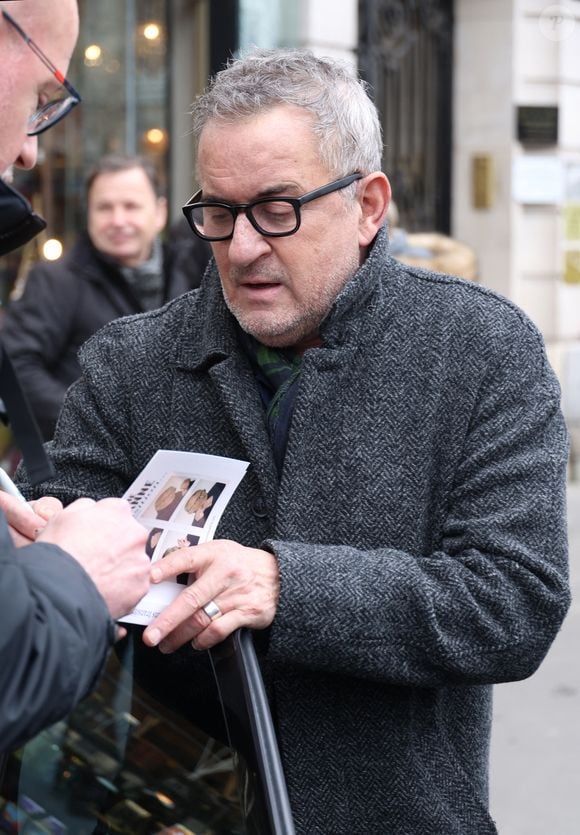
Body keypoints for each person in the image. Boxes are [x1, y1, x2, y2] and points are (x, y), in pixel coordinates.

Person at [0, 48, 570, 833]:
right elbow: (56, 527)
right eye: (219, 213)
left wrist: (287, 586)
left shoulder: (479, 349)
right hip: (167, 809)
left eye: (277, 209)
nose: (240, 248)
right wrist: (38, 534)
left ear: (369, 204)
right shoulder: (129, 361)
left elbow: (514, 603)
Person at [0, 0, 151, 753]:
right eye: (41, 100)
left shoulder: (190, 278)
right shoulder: (59, 284)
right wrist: (74, 575)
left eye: (134, 205)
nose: (30, 150)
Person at [1, 154, 204, 440]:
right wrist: (96, 428)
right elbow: (15, 368)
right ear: (89, 215)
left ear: (159, 212)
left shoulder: (189, 271)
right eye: (104, 208)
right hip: (79, 460)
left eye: (131, 206)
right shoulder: (56, 281)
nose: (118, 220)